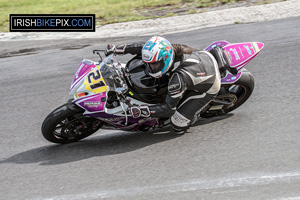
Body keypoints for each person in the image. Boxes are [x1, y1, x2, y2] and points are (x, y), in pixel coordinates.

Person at [105, 36, 222, 133]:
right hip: (203, 57)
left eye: (154, 64)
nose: (150, 68)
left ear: (165, 60)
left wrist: (142, 111)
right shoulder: (168, 49)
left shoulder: (177, 80)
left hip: (211, 83)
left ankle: (195, 113)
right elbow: (143, 47)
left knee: (177, 124)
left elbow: (168, 108)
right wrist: (118, 49)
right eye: (148, 64)